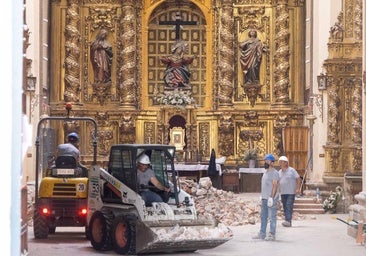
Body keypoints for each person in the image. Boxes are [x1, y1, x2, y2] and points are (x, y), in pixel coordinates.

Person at [253, 153, 279, 241]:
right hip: (264, 198)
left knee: (272, 217)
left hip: (271, 199)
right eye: (265, 160)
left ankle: (272, 234)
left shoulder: (274, 173)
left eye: (268, 161)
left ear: (272, 163)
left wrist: (271, 197)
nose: (266, 162)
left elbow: (275, 185)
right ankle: (262, 233)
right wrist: (262, 196)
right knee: (263, 216)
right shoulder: (265, 172)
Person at [278, 156, 301, 227]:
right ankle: (287, 220)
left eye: (282, 162)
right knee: (285, 206)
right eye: (280, 162)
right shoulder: (279, 172)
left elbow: (298, 179)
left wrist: (297, 188)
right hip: (283, 192)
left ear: (286, 163)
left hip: (291, 192)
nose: (280, 163)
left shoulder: (292, 170)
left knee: (289, 206)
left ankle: (288, 221)